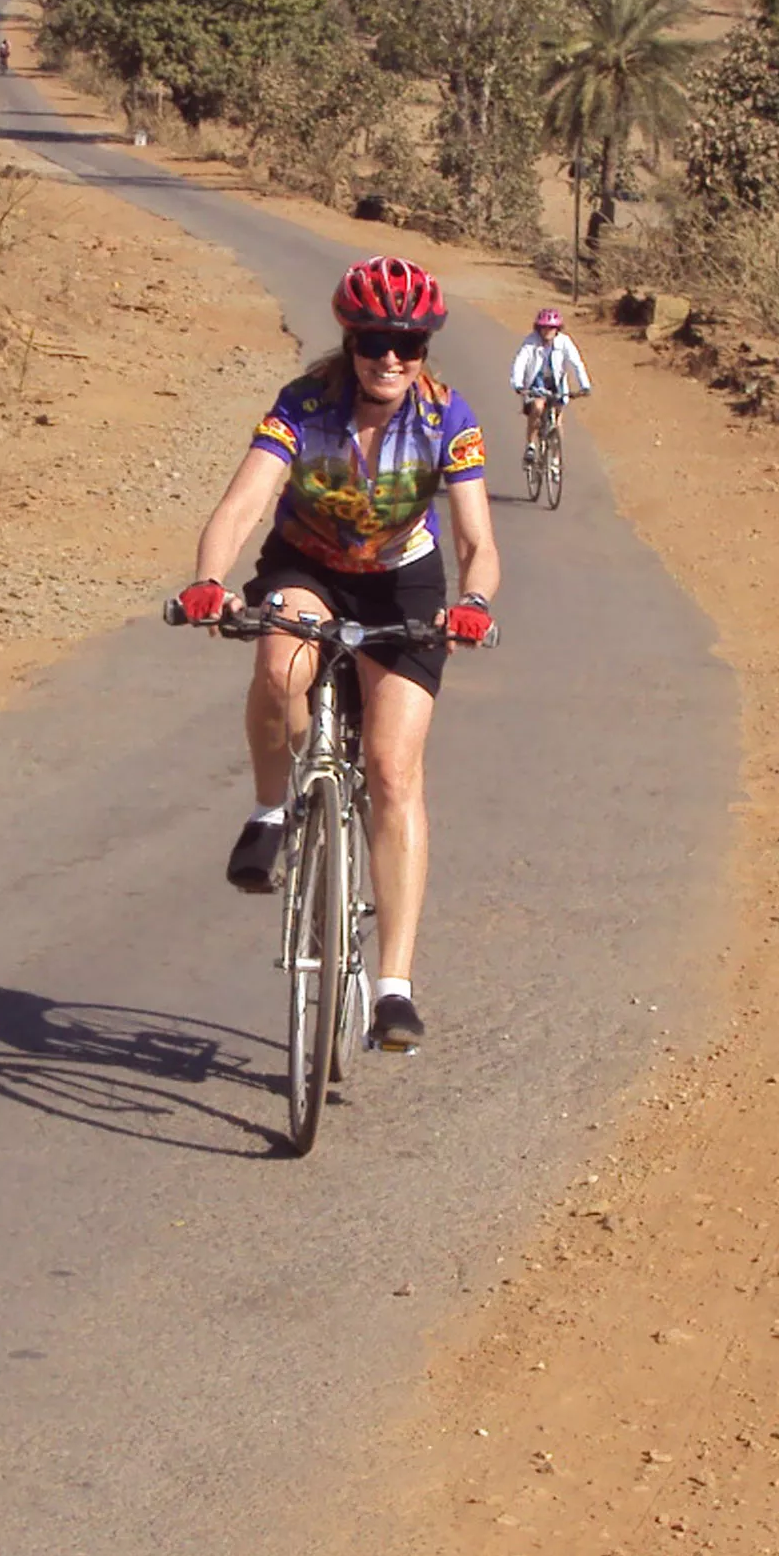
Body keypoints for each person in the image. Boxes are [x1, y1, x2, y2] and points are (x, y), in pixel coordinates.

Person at [174, 255, 500, 1051]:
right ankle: (271, 809)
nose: (390, 357)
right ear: (349, 340)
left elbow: (475, 541)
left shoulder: (447, 419)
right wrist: (209, 582)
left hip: (403, 585)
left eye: (409, 342)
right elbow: (243, 504)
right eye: (374, 340)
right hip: (308, 564)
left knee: (393, 770)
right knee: (280, 655)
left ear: (426, 347)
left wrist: (474, 605)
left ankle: (393, 986)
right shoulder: (306, 407)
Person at [511, 307, 591, 463]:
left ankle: (555, 458)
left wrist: (584, 385)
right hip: (537, 382)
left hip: (556, 383)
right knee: (538, 407)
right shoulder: (531, 342)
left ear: (557, 329)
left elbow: (576, 363)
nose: (547, 331)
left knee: (558, 420)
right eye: (544, 327)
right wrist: (518, 384)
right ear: (539, 328)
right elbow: (520, 362)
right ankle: (531, 445)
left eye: (551, 328)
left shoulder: (564, 342)